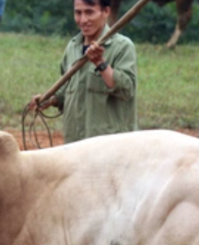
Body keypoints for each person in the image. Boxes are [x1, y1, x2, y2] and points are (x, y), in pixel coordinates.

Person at [31, 0, 137, 144]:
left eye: (89, 12)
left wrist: (100, 63)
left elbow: (127, 90)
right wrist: (50, 100)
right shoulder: (72, 47)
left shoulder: (122, 47)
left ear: (106, 11)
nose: (83, 20)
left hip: (109, 146)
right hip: (75, 142)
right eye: (78, 13)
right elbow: (68, 89)